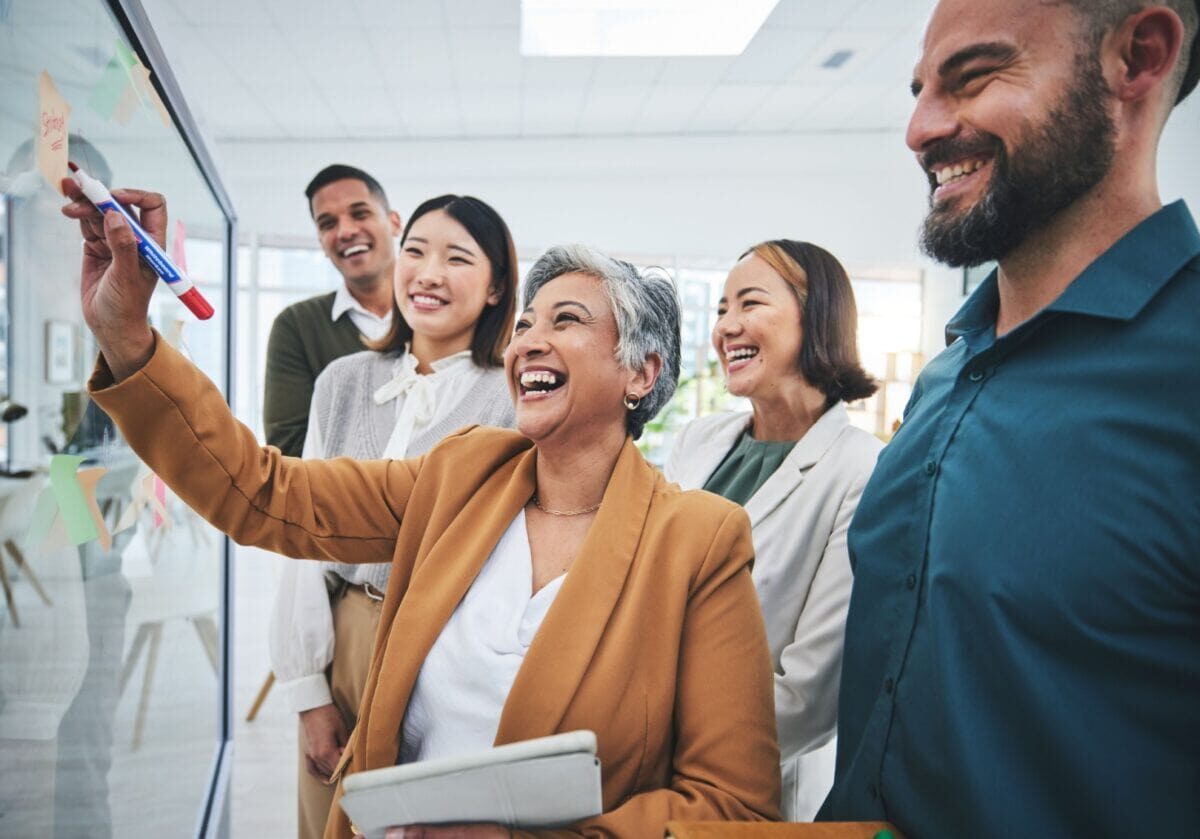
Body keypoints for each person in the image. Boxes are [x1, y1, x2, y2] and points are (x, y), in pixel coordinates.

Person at [61, 173, 782, 836]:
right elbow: (263, 492)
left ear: (642, 372)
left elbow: (732, 805)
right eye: (526, 323)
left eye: (565, 320)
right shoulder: (459, 473)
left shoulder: (700, 540)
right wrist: (127, 336)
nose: (529, 339)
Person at [820, 1, 1200, 836]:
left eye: (974, 77)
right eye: (920, 90)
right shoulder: (946, 374)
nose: (919, 129)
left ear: (1138, 56)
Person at [269, 194, 517, 839]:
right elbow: (305, 538)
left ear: (496, 289)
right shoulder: (342, 380)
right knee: (332, 819)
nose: (428, 273)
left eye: (457, 258)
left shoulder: (515, 394)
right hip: (348, 634)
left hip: (450, 644)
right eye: (415, 252)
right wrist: (308, 692)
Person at [665, 240, 880, 821]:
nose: (727, 327)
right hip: (637, 759)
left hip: (748, 783)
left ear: (817, 318)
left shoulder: (861, 469)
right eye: (720, 311)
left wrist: (668, 747)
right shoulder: (696, 442)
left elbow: (810, 692)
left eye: (749, 304)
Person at [263, 164, 402, 456]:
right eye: (327, 224)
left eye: (360, 214)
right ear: (321, 244)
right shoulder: (297, 326)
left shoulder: (438, 314)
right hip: (339, 501)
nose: (346, 231)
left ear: (394, 223)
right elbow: (289, 448)